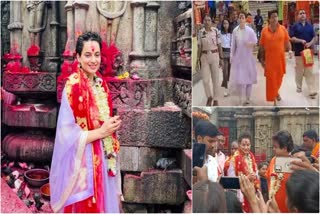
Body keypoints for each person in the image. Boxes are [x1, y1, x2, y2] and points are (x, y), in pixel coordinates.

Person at [50, 32, 122, 213]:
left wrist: (111, 127)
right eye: (88, 55)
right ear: (78, 57)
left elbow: (102, 120)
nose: (93, 60)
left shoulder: (101, 84)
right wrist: (102, 132)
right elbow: (66, 135)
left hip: (103, 156)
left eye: (97, 55)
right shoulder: (73, 87)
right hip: (84, 163)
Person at [259, 10, 293, 106]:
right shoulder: (264, 31)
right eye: (273, 17)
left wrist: (290, 50)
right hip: (269, 60)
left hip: (280, 60)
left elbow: (287, 42)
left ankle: (276, 92)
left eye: (276, 16)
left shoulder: (283, 29)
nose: (275, 18)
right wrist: (262, 59)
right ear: (269, 19)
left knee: (279, 78)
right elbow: (261, 46)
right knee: (271, 80)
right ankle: (273, 99)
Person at [230, 11, 258, 105]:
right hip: (239, 58)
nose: (241, 19)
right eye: (240, 17)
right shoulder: (235, 31)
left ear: (245, 19)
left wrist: (250, 44)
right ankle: (240, 99)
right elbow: (233, 45)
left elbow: (255, 41)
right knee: (240, 80)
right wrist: (231, 56)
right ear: (238, 19)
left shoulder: (250, 30)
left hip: (248, 57)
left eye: (243, 18)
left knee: (249, 79)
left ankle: (248, 98)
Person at [227, 132, 259, 212]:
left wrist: (255, 176)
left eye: (248, 145)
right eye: (243, 145)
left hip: (252, 191)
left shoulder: (251, 156)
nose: (246, 147)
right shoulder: (234, 159)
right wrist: (247, 178)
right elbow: (231, 181)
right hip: (240, 194)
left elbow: (256, 173)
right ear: (239, 144)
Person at [290, 9, 318, 99]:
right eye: (301, 13)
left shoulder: (310, 26)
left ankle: (312, 90)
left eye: (304, 13)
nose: (303, 15)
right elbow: (292, 38)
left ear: (306, 15)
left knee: (309, 71)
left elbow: (315, 37)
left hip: (308, 53)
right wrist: (300, 40)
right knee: (299, 71)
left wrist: (310, 43)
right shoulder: (294, 26)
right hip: (298, 52)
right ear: (298, 16)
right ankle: (299, 86)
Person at [198, 15, 224, 106]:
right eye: (205, 20)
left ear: (211, 22)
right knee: (205, 80)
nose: (207, 22)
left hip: (215, 56)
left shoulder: (216, 31)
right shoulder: (200, 32)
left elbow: (219, 45)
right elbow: (199, 46)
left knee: (215, 79)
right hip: (204, 56)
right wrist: (198, 60)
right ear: (203, 21)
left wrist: (221, 58)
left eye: (209, 20)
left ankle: (216, 99)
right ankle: (209, 97)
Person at [265, 130, 294, 213]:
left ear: (285, 148)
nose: (273, 149)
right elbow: (268, 179)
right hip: (272, 208)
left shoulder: (294, 164)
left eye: (275, 147)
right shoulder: (273, 160)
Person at [220, 19, 232, 97]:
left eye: (227, 23)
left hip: (230, 53)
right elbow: (219, 46)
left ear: (229, 24)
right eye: (224, 23)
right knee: (225, 71)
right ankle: (226, 89)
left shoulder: (231, 34)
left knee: (229, 72)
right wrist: (220, 57)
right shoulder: (220, 34)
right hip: (223, 53)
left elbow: (233, 45)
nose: (225, 25)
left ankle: (226, 83)